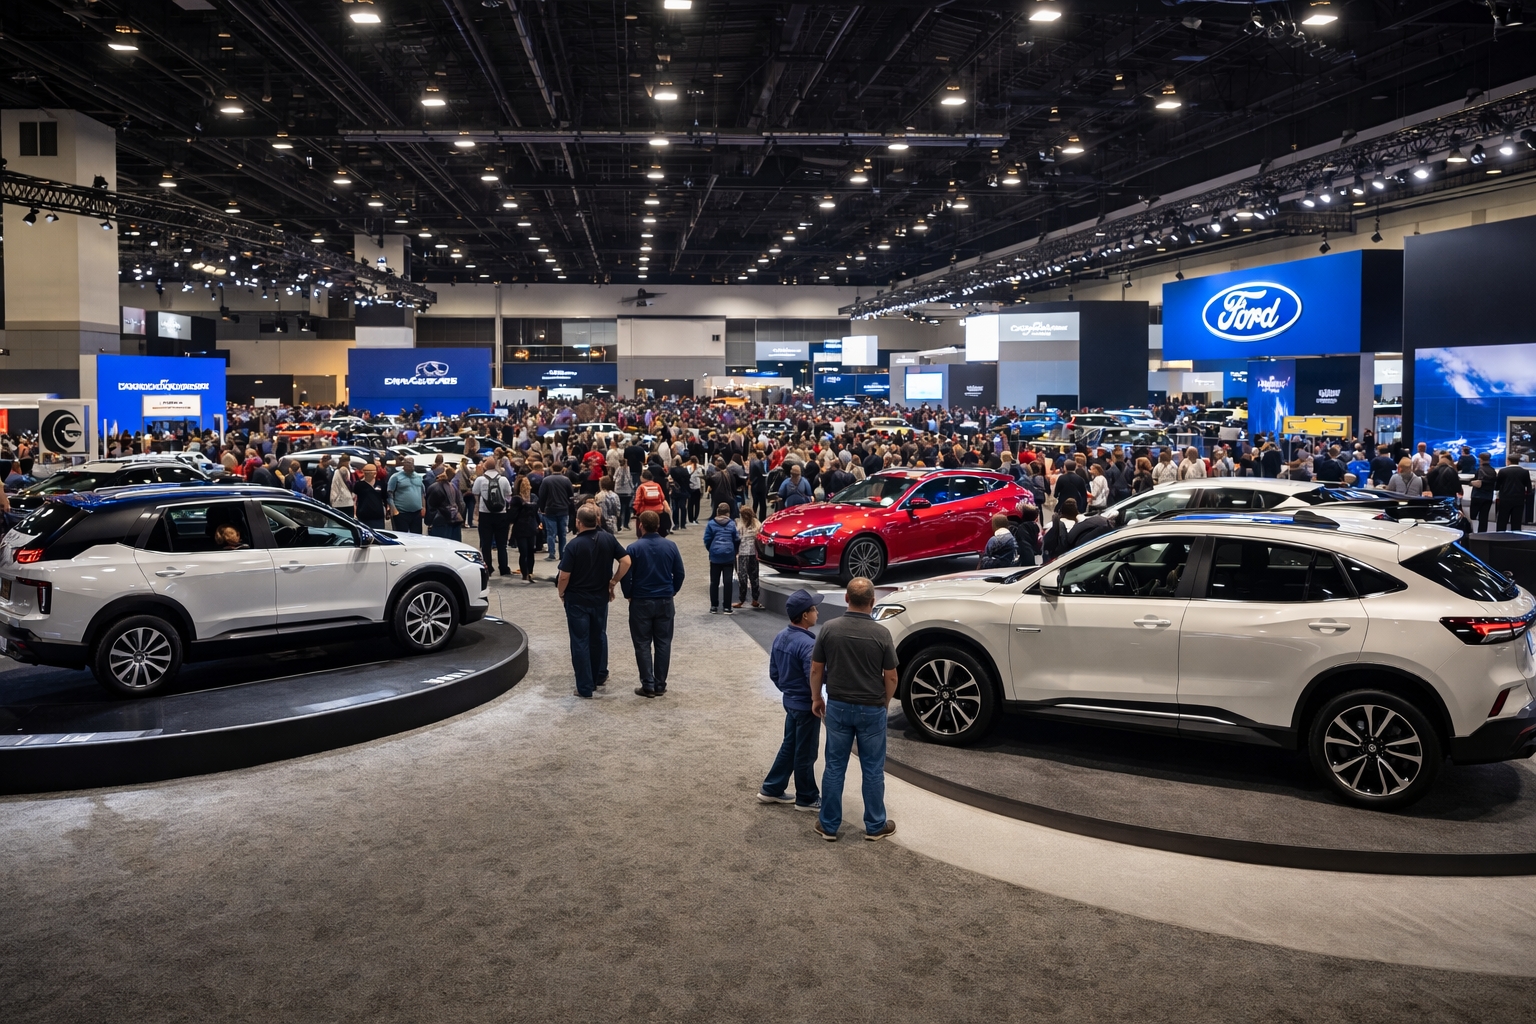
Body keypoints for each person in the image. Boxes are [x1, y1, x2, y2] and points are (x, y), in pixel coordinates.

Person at [810, 577, 898, 842]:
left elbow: (816, 668)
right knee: (872, 768)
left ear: (846, 599)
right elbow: (891, 676)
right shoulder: (882, 633)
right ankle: (875, 826)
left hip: (837, 706)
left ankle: (828, 825)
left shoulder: (829, 628)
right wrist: (885, 702)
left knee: (835, 766)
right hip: (872, 709)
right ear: (873, 602)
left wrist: (817, 698)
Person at [758, 588, 823, 812]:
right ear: (805, 615)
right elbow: (813, 676)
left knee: (790, 745)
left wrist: (789, 691)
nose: (817, 613)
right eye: (814, 609)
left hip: (790, 701)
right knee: (806, 752)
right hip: (806, 705)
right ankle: (806, 797)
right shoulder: (808, 645)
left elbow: (774, 673)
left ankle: (772, 788)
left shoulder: (781, 637)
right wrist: (816, 697)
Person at [557, 505, 631, 699]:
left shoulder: (573, 545)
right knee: (598, 637)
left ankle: (584, 686)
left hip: (577, 600)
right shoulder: (608, 538)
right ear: (597, 521)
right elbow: (626, 561)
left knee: (580, 641)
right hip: (600, 598)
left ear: (578, 522)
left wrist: (561, 593)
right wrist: (614, 581)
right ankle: (598, 676)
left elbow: (564, 576)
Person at [621, 510, 685, 697]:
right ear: (658, 525)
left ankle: (647, 683)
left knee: (642, 643)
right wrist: (672, 590)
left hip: (641, 601)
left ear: (640, 525)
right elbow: (680, 573)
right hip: (665, 600)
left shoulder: (633, 548)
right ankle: (660, 683)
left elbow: (627, 576)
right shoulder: (671, 546)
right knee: (663, 643)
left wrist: (628, 594)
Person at [474, 457, 514, 577]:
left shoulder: (480, 480)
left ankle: (488, 568)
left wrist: (477, 509)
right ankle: (504, 568)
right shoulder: (503, 480)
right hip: (501, 514)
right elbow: (509, 496)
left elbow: (475, 494)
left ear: (485, 467)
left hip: (485, 514)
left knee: (486, 543)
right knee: (502, 544)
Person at [703, 501, 741, 614]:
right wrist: (734, 551)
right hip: (729, 556)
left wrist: (712, 549)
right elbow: (737, 539)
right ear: (728, 513)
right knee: (727, 582)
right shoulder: (732, 524)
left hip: (715, 556)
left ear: (717, 512)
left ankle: (714, 606)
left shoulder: (711, 524)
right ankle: (727, 607)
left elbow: (707, 540)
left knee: (714, 581)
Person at [537, 462, 576, 560]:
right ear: (562, 469)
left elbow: (542, 496)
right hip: (563, 509)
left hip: (550, 509)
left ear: (551, 468)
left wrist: (542, 509)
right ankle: (562, 554)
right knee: (562, 533)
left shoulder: (546, 480)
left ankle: (552, 553)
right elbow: (571, 495)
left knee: (551, 533)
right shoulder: (566, 480)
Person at [508, 474, 540, 581]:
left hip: (523, 527)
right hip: (528, 526)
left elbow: (512, 516)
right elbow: (536, 513)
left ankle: (527, 573)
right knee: (528, 551)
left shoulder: (518, 499)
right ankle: (527, 573)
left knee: (526, 552)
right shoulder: (530, 498)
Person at [387, 457, 426, 534]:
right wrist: (394, 510)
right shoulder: (396, 477)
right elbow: (389, 494)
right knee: (402, 537)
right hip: (401, 513)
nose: (410, 466)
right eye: (408, 464)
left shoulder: (418, 477)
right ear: (404, 465)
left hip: (416, 513)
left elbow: (422, 493)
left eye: (411, 464)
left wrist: (423, 507)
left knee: (417, 537)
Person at [734, 505, 762, 609]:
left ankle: (742, 600)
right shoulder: (757, 523)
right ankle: (755, 599)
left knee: (743, 577)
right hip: (753, 554)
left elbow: (736, 538)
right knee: (754, 577)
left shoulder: (739, 523)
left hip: (743, 554)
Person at [425, 465, 463, 540]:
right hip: (455, 519)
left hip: (440, 521)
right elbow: (461, 504)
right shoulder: (454, 486)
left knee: (441, 545)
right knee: (454, 546)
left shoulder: (433, 487)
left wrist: (429, 522)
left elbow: (431, 507)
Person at [1496, 455, 1533, 532]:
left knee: (1502, 520)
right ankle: (1515, 539)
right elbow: (1529, 487)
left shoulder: (1503, 471)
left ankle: (1499, 537)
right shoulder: (1524, 472)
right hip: (1519, 499)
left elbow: (1497, 486)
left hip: (1505, 499)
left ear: (1508, 461)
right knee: (1516, 521)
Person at [632, 468, 671, 535]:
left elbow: (637, 501)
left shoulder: (641, 487)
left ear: (643, 478)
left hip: (645, 511)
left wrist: (636, 511)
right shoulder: (657, 485)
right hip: (658, 511)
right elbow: (662, 498)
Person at [353, 463, 389, 530]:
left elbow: (385, 498)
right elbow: (354, 500)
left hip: (378, 516)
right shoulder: (359, 485)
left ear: (375, 473)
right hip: (363, 516)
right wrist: (354, 513)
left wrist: (388, 511)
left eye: (371, 473)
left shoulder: (381, 484)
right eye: (366, 473)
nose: (369, 474)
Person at [1470, 452, 1498, 532]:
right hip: (1488, 496)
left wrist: (1470, 482)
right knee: (1484, 517)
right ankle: (1481, 533)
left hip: (1477, 496)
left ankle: (1471, 532)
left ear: (1480, 459)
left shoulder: (1480, 469)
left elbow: (1478, 483)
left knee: (1473, 516)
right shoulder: (1493, 470)